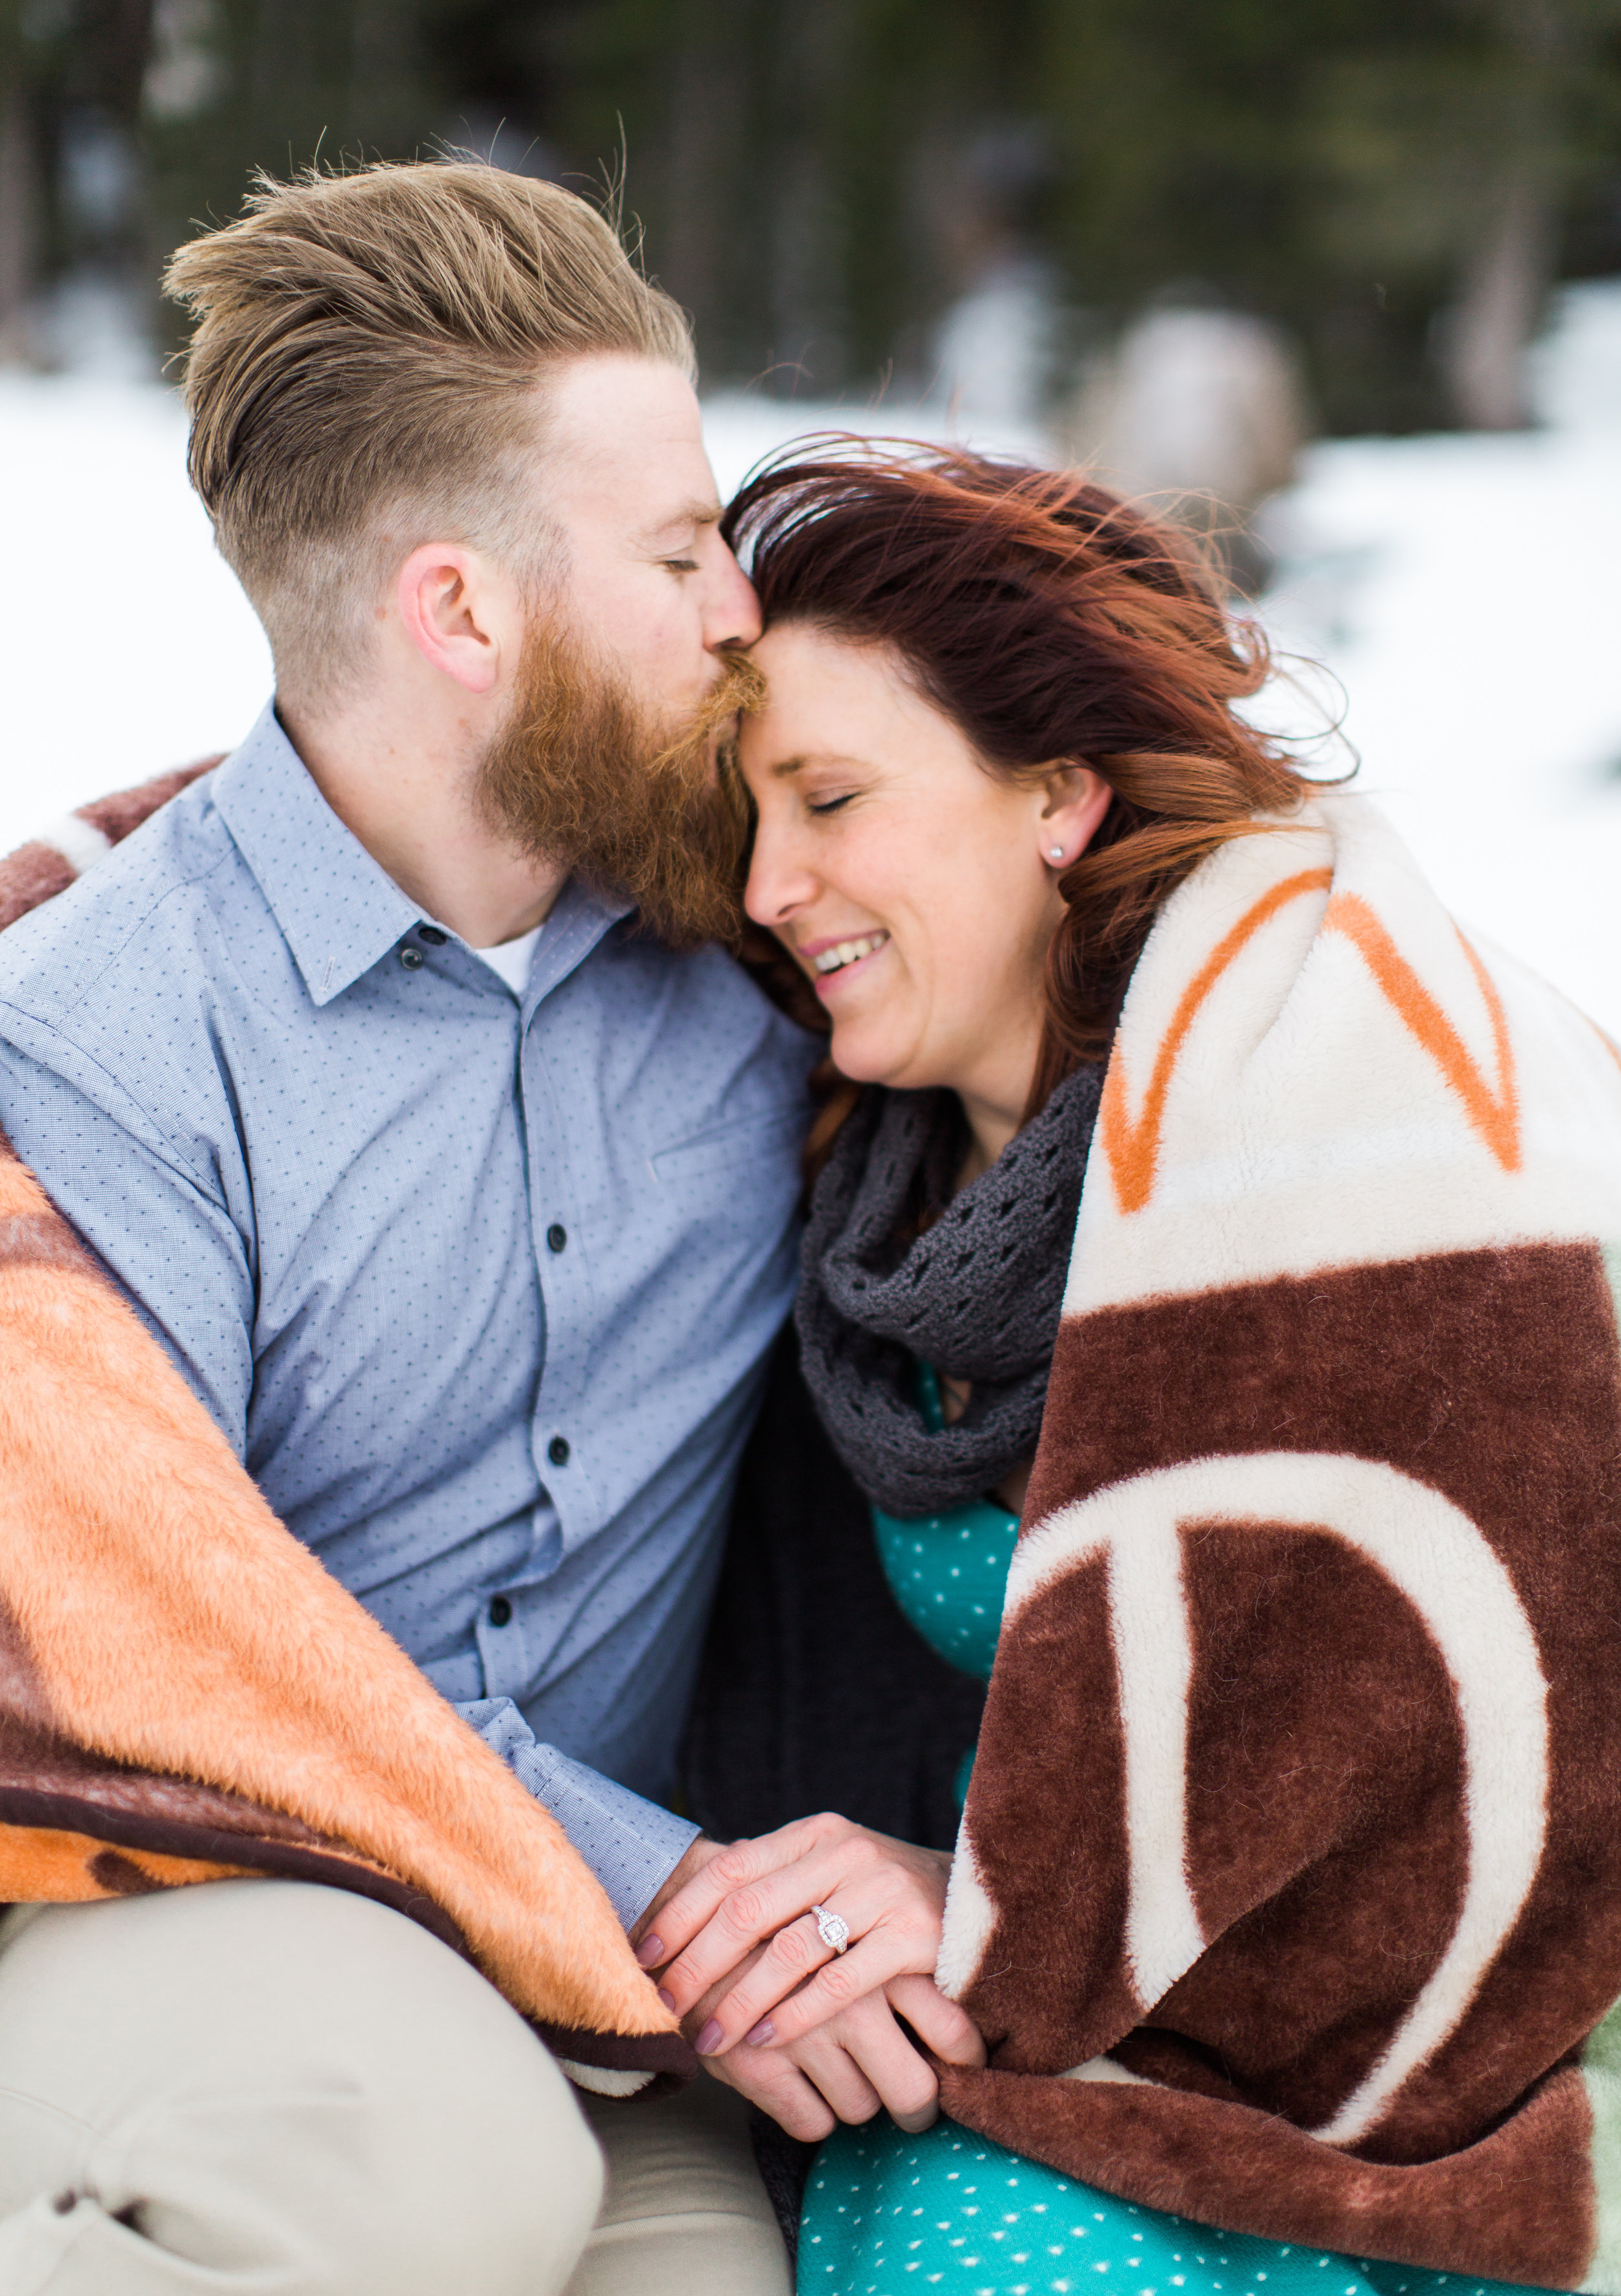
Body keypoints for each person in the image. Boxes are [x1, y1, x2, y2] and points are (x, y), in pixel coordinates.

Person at [0, 165, 973, 2296]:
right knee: (434, 2181)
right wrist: (687, 1894)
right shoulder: (103, 1057)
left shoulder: (761, 964)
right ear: (462, 615)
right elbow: (198, 1685)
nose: (743, 606)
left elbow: (1100, 904)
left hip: (606, 2013)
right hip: (176, 1919)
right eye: (675, 549)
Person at [647, 444, 1621, 2294]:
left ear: (1058, 793)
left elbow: (1441, 1736)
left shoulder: (1344, 1128)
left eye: (831, 798)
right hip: (1036, 2019)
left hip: (1441, 2065)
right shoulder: (876, 1189)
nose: (771, 882)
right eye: (745, 814)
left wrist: (981, 1904)